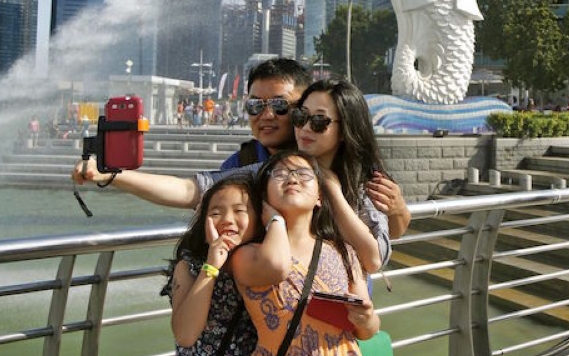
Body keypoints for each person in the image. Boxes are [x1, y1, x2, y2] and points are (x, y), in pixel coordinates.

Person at [71, 60, 411, 247]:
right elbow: (194, 190)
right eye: (254, 105)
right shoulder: (251, 166)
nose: (265, 115)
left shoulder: (353, 167)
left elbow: (385, 238)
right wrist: (113, 175)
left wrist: (398, 210)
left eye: (279, 105)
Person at [231, 150, 378, 356]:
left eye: (303, 174)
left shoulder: (344, 252)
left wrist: (367, 318)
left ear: (319, 196)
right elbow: (277, 266)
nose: (292, 179)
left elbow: (368, 331)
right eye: (279, 174)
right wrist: (275, 221)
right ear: (265, 195)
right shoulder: (248, 255)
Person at [163, 172, 261, 356]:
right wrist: (211, 267)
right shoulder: (188, 267)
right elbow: (185, 335)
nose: (227, 219)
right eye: (216, 212)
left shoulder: (262, 266)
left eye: (239, 211)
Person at [290, 78, 396, 272]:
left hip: (336, 298)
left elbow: (375, 258)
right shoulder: (280, 173)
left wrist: (332, 189)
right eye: (300, 116)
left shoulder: (364, 185)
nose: (305, 128)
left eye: (319, 121)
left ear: (344, 130)